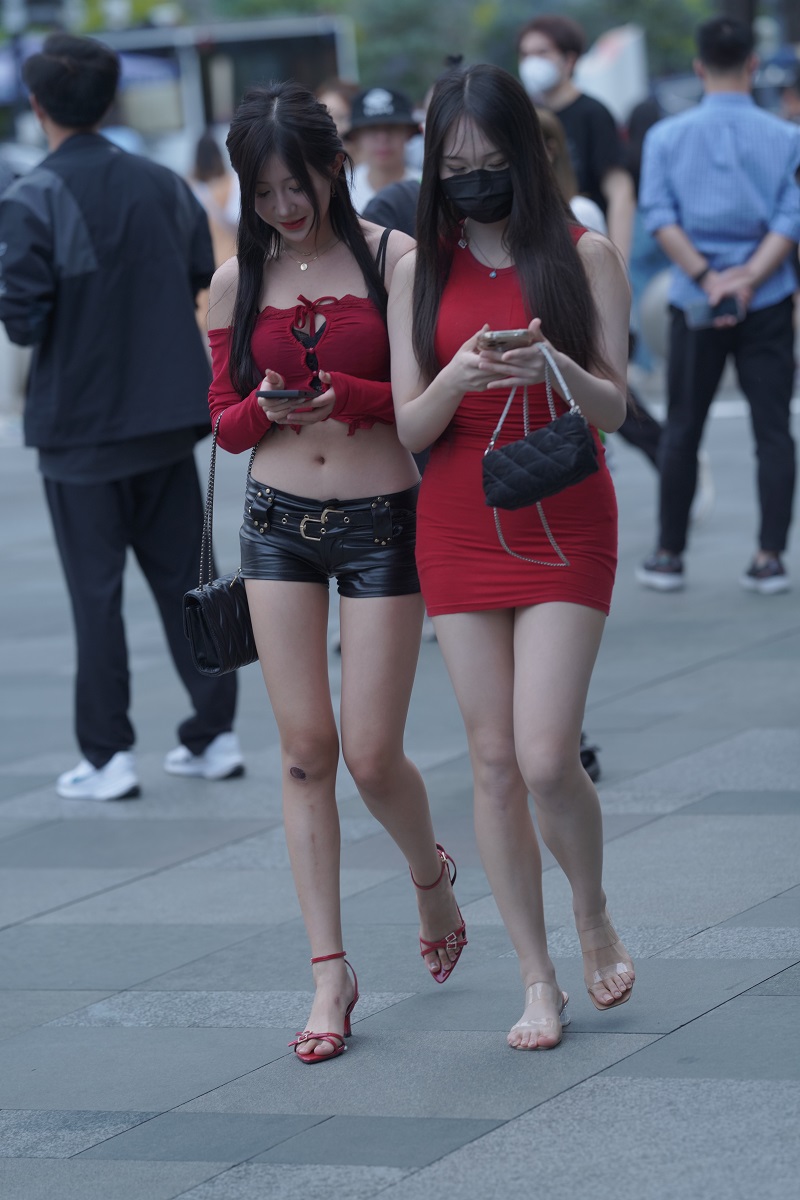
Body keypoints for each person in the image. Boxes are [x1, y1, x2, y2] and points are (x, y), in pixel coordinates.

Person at [208, 80, 466, 1062]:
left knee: (370, 754)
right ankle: (330, 973)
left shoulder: (394, 258)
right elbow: (224, 425)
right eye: (264, 190)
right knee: (303, 751)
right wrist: (267, 408)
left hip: (381, 520)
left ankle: (429, 877)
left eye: (299, 184)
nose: (284, 206)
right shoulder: (236, 281)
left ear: (335, 166)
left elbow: (417, 401)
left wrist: (339, 394)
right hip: (275, 520)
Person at [388, 63, 634, 1051]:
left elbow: (615, 407)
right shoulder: (420, 269)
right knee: (491, 763)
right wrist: (455, 374)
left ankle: (591, 910)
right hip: (456, 522)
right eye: (454, 167)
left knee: (543, 755)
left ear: (524, 154)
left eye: (489, 161)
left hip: (564, 516)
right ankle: (537, 977)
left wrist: (554, 365)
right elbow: (410, 425)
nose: (473, 179)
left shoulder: (585, 255)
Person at [0, 34, 244, 800]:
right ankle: (216, 735)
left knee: (95, 597)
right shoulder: (164, 183)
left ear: (37, 105)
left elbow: (22, 322)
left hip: (80, 430)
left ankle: (108, 756)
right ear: (110, 101)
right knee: (190, 579)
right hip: (167, 418)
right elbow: (205, 276)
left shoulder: (32, 197)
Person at [636, 16, 800, 594]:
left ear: (699, 66)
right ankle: (769, 557)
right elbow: (791, 214)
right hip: (767, 295)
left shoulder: (665, 137)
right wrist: (750, 275)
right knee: (773, 430)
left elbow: (659, 215)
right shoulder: (787, 136)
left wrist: (708, 277)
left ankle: (668, 555)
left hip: (694, 296)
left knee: (683, 428)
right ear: (753, 64)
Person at [517, 13, 635, 262]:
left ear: (569, 60)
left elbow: (619, 189)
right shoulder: (525, 115)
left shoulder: (593, 113)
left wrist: (619, 259)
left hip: (588, 244)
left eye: (542, 53)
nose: (531, 62)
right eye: (525, 54)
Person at [346, 86, 420, 213]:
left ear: (409, 133)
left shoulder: (426, 187)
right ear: (355, 137)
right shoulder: (341, 191)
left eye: (392, 127)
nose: (382, 138)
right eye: (371, 128)